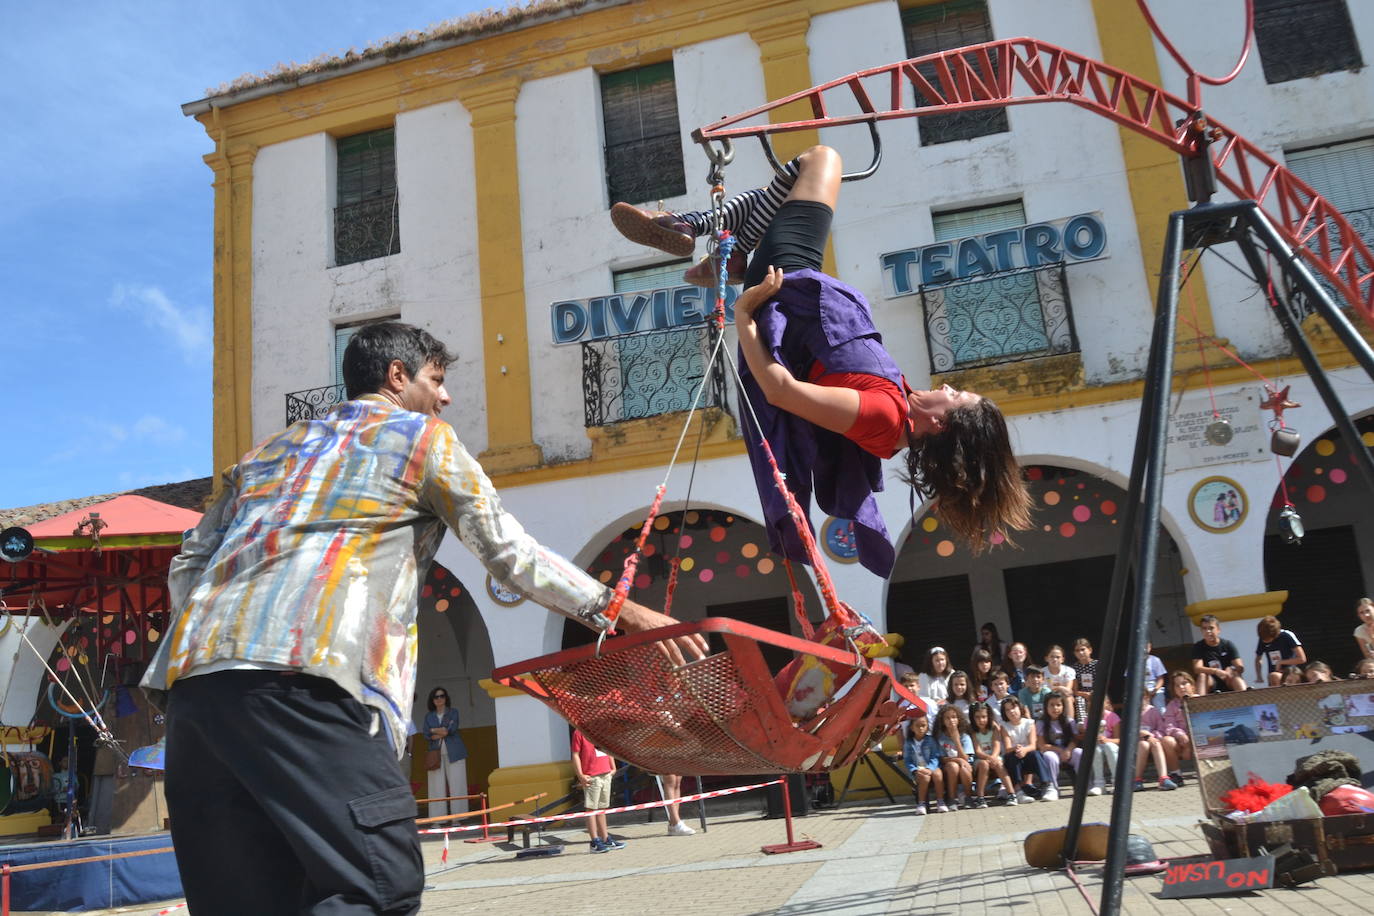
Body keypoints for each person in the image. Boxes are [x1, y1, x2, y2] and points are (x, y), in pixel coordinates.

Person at [140, 322, 706, 914]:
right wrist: (619, 611)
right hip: (306, 682)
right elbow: (509, 553)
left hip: (193, 694)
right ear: (397, 376)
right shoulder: (423, 439)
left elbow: (189, 562)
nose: (445, 397)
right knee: (377, 884)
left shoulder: (266, 453)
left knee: (248, 902)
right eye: (437, 381)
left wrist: (218, 639)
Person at [616, 145, 1033, 577]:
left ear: (943, 424)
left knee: (822, 160)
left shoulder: (883, 417)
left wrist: (742, 314)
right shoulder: (896, 414)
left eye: (957, 396)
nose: (948, 388)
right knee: (801, 183)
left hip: (785, 285)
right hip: (798, 289)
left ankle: (696, 226)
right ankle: (730, 248)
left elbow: (781, 391)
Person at [571, 729, 623, 853]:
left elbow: (607, 748)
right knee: (591, 808)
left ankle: (605, 838)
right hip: (591, 775)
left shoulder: (601, 730)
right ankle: (594, 841)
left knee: (602, 808)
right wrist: (580, 775)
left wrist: (613, 766)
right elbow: (575, 754)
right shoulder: (579, 732)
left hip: (605, 773)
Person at [423, 686, 468, 817]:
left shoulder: (453, 712)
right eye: (436, 697)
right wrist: (437, 731)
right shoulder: (429, 716)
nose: (439, 699)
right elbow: (426, 733)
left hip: (455, 753)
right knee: (435, 788)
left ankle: (458, 818)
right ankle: (438, 819)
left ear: (446, 698)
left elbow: (450, 730)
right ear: (432, 700)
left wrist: (434, 730)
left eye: (441, 696)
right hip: (435, 754)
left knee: (457, 785)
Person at [999, 697, 1050, 803]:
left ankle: (1046, 785)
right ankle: (1018, 791)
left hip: (1028, 757)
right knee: (1012, 756)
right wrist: (1016, 748)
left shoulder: (1029, 723)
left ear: (1020, 707)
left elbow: (1032, 745)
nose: (1011, 711)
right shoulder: (1004, 726)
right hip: (1014, 757)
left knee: (1036, 754)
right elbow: (1008, 748)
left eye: (1013, 707)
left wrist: (1024, 749)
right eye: (1007, 710)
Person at [1035, 694, 1079, 802]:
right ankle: (1052, 788)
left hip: (1067, 752)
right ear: (1046, 707)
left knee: (1079, 752)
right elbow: (1041, 745)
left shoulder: (1069, 721)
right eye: (1052, 705)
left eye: (1058, 705)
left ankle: (1081, 784)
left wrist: (1068, 750)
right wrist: (1061, 750)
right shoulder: (1041, 723)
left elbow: (1075, 740)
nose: (1055, 708)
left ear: (1063, 706)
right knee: (1049, 757)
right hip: (1052, 751)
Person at [968, 702, 1012, 807]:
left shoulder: (993, 727)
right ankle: (980, 797)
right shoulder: (972, 730)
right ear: (972, 718)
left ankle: (1011, 793)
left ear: (989, 716)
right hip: (980, 759)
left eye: (984, 717)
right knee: (984, 764)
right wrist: (989, 758)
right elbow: (977, 751)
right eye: (977, 717)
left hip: (994, 755)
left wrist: (993, 757)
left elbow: (996, 745)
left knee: (999, 764)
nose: (981, 720)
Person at [1192, 615, 1247, 694]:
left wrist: (1232, 669)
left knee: (1235, 675)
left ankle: (1247, 699)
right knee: (1202, 676)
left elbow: (1240, 667)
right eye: (1204, 628)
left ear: (1218, 630)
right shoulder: (1198, 647)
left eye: (1211, 628)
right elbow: (1197, 668)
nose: (1208, 631)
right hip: (1211, 681)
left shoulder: (1228, 645)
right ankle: (1199, 704)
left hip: (1228, 680)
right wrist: (1215, 671)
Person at [903, 710, 944, 815]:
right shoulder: (908, 743)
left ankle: (940, 801)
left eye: (923, 725)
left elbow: (935, 756)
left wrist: (930, 768)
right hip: (917, 769)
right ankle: (921, 804)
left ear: (927, 727)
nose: (921, 728)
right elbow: (907, 760)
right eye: (917, 726)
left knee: (938, 775)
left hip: (932, 767)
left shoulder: (931, 740)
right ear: (912, 728)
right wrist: (914, 770)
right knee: (924, 778)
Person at [1135, 689, 1177, 791]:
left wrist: (1152, 736)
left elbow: (1161, 728)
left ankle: (1163, 778)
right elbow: (1129, 730)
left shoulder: (1153, 711)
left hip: (1152, 740)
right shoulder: (1131, 712)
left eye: (1143, 698)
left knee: (1157, 743)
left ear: (1147, 698)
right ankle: (1136, 780)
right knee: (1143, 745)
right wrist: (1144, 735)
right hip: (1136, 743)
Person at [935, 704, 975, 811]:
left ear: (959, 719)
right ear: (942, 721)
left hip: (966, 766)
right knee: (953, 766)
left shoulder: (964, 736)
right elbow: (942, 758)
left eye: (953, 717)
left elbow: (966, 758)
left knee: (964, 768)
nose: (951, 720)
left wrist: (956, 739)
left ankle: (968, 797)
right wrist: (958, 760)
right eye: (947, 718)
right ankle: (951, 798)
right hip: (948, 767)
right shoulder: (940, 737)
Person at [1253, 616, 1306, 687]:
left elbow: (1302, 659)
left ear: (1275, 635)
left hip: (1291, 673)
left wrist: (1280, 662)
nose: (1265, 641)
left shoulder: (1286, 636)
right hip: (1274, 677)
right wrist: (1259, 676)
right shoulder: (1263, 638)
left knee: (1275, 676)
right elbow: (1258, 659)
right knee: (1273, 676)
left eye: (1267, 639)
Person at [1086, 696, 1120, 796]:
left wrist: (1107, 740)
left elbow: (1119, 740)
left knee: (1109, 746)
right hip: (1098, 748)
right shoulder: (1089, 719)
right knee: (1095, 749)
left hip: (1111, 747)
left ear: (1106, 703)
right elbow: (1087, 739)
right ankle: (1099, 784)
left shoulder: (1112, 717)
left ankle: (1117, 782)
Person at [1070, 638, 1098, 723]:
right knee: (1079, 699)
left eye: (1083, 649)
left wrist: (1093, 694)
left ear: (1090, 650)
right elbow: (1075, 689)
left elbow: (1103, 684)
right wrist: (1084, 694)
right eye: (1077, 651)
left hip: (1096, 693)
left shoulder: (1097, 665)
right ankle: (1082, 724)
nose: (1080, 653)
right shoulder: (1074, 668)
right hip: (1082, 695)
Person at [1145, 641, 1168, 710]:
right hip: (1140, 689)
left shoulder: (1155, 660)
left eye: (1146, 647)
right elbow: (1130, 680)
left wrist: (1154, 691)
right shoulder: (1133, 661)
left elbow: (1160, 679)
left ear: (1150, 647)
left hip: (1154, 687)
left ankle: (1162, 718)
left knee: (1159, 701)